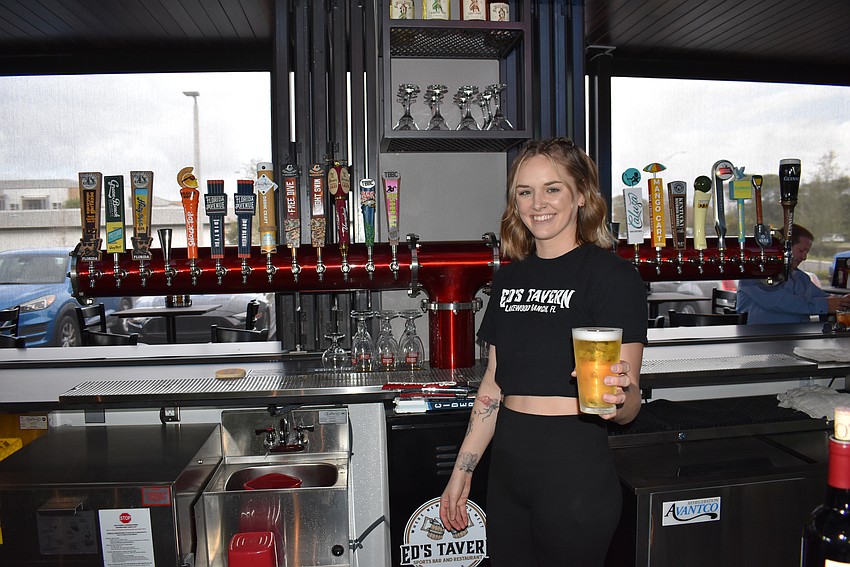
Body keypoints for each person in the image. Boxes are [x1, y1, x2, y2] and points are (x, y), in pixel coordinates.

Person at [439, 138, 647, 566]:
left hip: (573, 472)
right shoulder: (510, 279)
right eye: (525, 191)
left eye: (553, 188)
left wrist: (620, 398)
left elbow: (628, 405)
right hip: (508, 473)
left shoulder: (611, 277)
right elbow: (494, 385)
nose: (538, 203)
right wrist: (463, 470)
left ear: (582, 195)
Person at [737, 224, 850, 324]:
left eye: (807, 252)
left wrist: (843, 301)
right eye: (801, 251)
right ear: (785, 248)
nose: (804, 258)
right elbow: (780, 302)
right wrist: (824, 306)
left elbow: (822, 297)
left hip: (796, 340)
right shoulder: (755, 275)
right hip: (759, 341)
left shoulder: (801, 278)